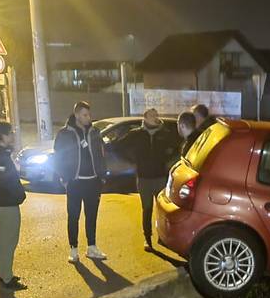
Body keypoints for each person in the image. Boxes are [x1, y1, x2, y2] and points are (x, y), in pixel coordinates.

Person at [113, 108, 181, 251]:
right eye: (152, 115)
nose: (155, 117)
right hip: (144, 179)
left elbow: (178, 148)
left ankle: (163, 237)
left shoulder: (165, 134)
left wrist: (169, 161)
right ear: (145, 117)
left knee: (163, 209)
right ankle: (147, 238)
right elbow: (118, 147)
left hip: (160, 178)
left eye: (156, 115)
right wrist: (131, 161)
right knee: (147, 209)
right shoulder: (136, 134)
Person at [53, 101, 108, 263]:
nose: (88, 118)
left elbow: (102, 154)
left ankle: (92, 247)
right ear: (76, 115)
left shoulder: (95, 132)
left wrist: (102, 176)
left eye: (89, 114)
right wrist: (64, 177)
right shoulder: (64, 134)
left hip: (93, 182)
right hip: (75, 182)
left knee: (91, 216)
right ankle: (73, 249)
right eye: (84, 115)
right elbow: (58, 157)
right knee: (73, 216)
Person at [0, 121, 27, 290]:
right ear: (2, 136)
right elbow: (1, 179)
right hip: (5, 203)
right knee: (7, 242)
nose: (13, 135)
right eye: (10, 133)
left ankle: (5, 274)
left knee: (7, 241)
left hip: (5, 202)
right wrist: (16, 188)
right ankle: (5, 278)